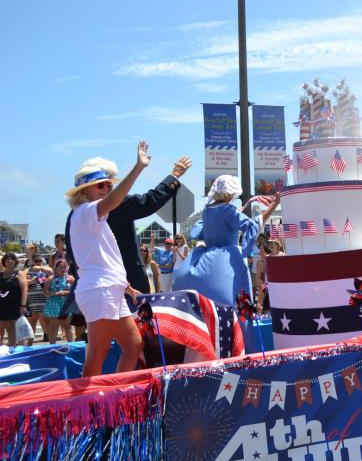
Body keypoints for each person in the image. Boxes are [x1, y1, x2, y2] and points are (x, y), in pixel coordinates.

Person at [66, 141, 150, 376]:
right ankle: (89, 408)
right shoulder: (85, 211)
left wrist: (127, 287)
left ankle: (114, 397)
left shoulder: (91, 216)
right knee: (97, 355)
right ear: (84, 192)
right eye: (101, 186)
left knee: (134, 347)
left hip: (108, 288)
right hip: (99, 291)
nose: (106, 189)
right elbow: (112, 202)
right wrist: (138, 168)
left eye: (108, 185)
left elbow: (103, 260)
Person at [172, 175, 267, 307]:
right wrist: (272, 206)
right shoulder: (229, 209)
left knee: (208, 301)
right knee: (233, 300)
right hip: (227, 259)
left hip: (206, 257)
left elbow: (200, 232)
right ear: (230, 193)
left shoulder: (206, 211)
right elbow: (251, 226)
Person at [43, 259, 75, 343]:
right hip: (55, 304)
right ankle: (52, 345)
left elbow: (76, 290)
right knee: (55, 326)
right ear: (55, 268)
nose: (63, 269)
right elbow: (45, 292)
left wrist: (68, 292)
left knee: (68, 326)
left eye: (65, 267)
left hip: (67, 303)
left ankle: (71, 345)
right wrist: (55, 293)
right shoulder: (50, 279)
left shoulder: (70, 278)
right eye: (61, 267)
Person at [0, 253, 27, 346]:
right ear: (4, 262)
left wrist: (23, 305)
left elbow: (24, 289)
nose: (10, 261)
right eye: (8, 259)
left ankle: (22, 350)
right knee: (9, 329)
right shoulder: (1, 275)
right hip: (3, 306)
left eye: (12, 259)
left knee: (20, 329)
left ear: (15, 261)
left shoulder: (19, 273)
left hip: (17, 305)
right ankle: (12, 349)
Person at [24, 254, 52, 342]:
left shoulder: (46, 269)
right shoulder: (27, 270)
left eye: (40, 261)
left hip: (45, 299)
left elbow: (52, 272)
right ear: (32, 261)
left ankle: (51, 343)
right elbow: (21, 280)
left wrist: (41, 269)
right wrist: (31, 281)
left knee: (48, 322)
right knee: (32, 323)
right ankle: (29, 345)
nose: (38, 263)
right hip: (32, 300)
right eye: (36, 261)